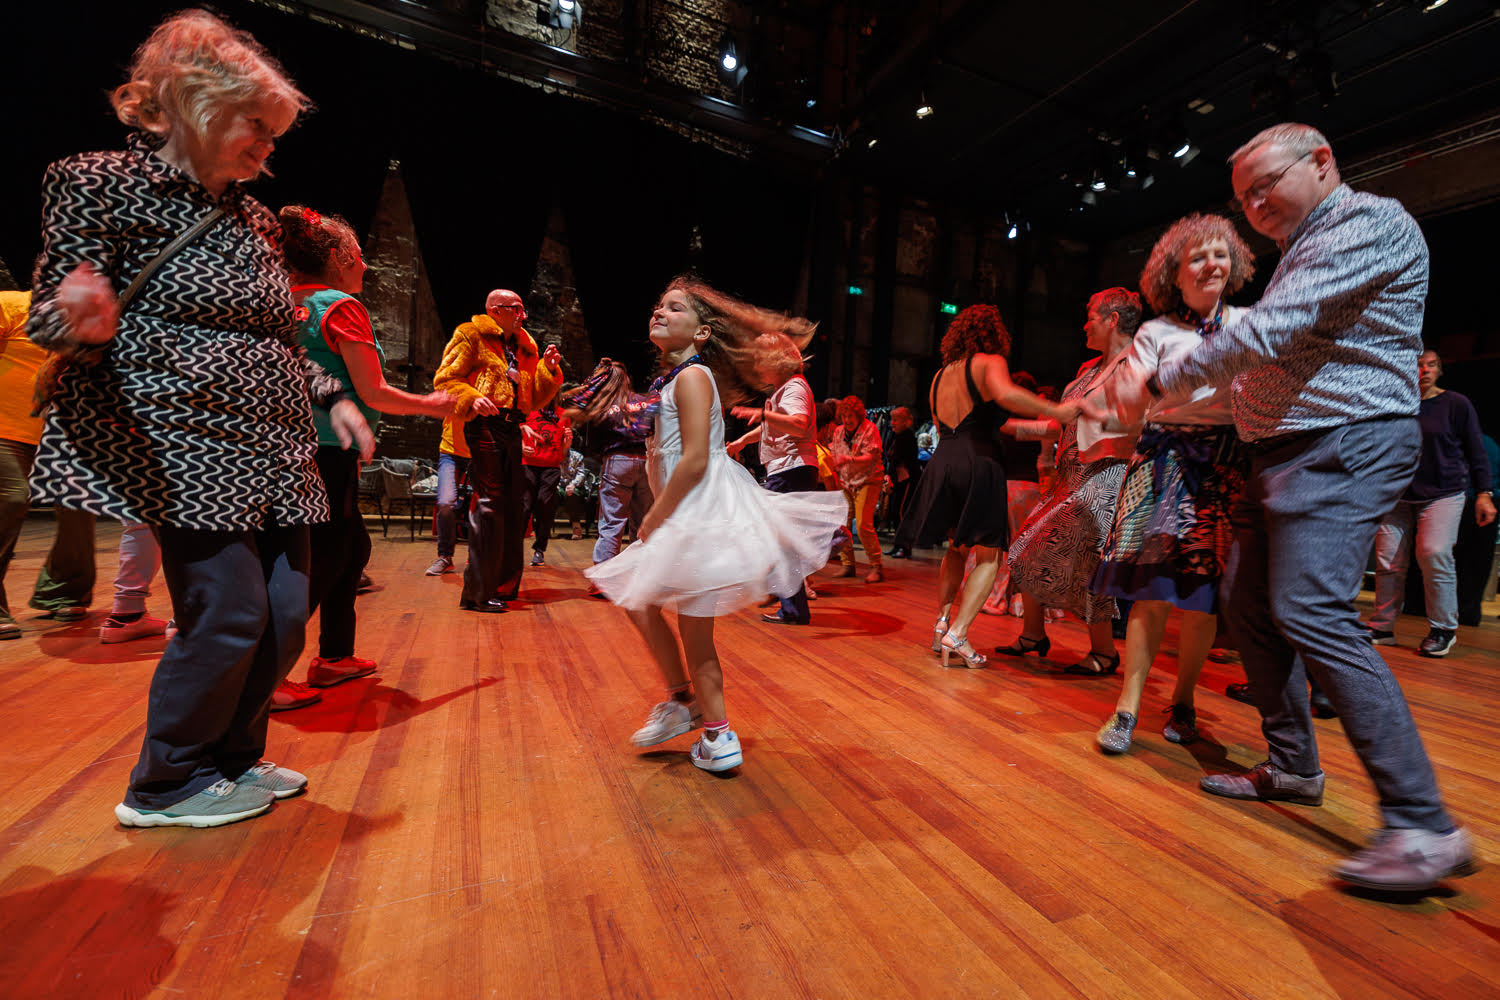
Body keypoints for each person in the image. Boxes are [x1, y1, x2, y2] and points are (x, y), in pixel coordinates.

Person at [26, 10, 373, 828]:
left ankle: (235, 760)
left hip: (276, 447)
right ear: (196, 104)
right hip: (183, 443)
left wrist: (335, 398)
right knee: (228, 613)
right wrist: (75, 312)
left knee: (287, 614)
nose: (268, 148)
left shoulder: (253, 219)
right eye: (259, 126)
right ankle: (165, 782)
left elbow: (275, 339)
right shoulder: (96, 180)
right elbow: (46, 313)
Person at [1113, 122, 1474, 892]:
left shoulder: (1367, 222)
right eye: (1244, 197)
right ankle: (1293, 764)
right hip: (1283, 451)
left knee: (1312, 609)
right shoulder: (1301, 249)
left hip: (1344, 443)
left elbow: (1275, 333)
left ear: (1320, 162)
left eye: (1264, 186)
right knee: (1248, 607)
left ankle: (1422, 824)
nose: (1254, 206)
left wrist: (1152, 387)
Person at [585, 278, 847, 771]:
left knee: (691, 630)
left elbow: (695, 461)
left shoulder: (691, 378)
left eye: (675, 307)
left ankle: (716, 732)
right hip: (689, 512)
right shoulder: (675, 379)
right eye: (659, 305)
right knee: (640, 601)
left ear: (702, 332)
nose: (660, 312)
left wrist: (654, 519)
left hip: (698, 514)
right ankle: (687, 704)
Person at [272, 205, 453, 710]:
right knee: (323, 557)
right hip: (325, 451)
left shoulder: (281, 303)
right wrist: (434, 405)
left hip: (286, 449)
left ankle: (334, 657)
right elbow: (373, 392)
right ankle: (268, 673)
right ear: (334, 256)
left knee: (349, 550)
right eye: (357, 256)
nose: (366, 267)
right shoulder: (340, 307)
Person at [1086, 215, 1256, 754]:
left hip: (1225, 463)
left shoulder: (1253, 321)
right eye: (1198, 257)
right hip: (1163, 461)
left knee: (1202, 600)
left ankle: (1183, 702)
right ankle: (1127, 708)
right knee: (1151, 592)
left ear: (1235, 265)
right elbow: (1135, 404)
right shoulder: (1157, 333)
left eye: (1221, 254)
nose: (1212, 264)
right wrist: (1131, 395)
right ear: (1174, 274)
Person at [895, 304, 1078, 667]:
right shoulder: (988, 361)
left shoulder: (939, 376)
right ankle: (958, 634)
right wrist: (1056, 410)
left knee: (955, 548)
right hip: (979, 461)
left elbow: (955, 423)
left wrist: (1037, 428)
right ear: (995, 335)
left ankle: (942, 624)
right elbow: (1006, 394)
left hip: (944, 460)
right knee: (990, 555)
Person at [997, 289, 1144, 673]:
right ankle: (1034, 635)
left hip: (1105, 478)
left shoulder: (1137, 365)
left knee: (1088, 565)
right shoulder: (1087, 371)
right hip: (1070, 478)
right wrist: (1014, 428)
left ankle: (1104, 653)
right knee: (1024, 550)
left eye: (1090, 315)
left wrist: (1100, 420)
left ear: (1112, 320)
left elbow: (1140, 425)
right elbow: (1059, 422)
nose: (1084, 323)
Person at [433, 290, 562, 611]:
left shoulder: (525, 346)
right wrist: (470, 397)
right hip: (484, 425)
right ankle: (477, 591)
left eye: (522, 309)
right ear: (495, 310)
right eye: (516, 309)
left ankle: (504, 586)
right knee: (489, 504)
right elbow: (445, 379)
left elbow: (534, 399)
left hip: (511, 428)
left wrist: (548, 370)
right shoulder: (471, 334)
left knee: (513, 507)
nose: (523, 315)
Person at [1364, 349, 1494, 656]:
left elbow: (1476, 449)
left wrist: (1485, 493)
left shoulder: (1455, 404)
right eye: (1418, 364)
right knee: (1388, 561)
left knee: (1434, 553)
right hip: (1395, 494)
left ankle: (1443, 628)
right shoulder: (1394, 404)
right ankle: (1382, 627)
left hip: (1443, 492)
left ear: (1440, 370)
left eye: (1431, 364)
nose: (1424, 369)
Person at [1, 289, 97, 638]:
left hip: (63, 430)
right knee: (11, 498)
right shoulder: (11, 305)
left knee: (78, 505)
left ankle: (65, 590)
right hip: (6, 427)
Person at [726, 332, 821, 626]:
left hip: (792, 469)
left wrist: (762, 415)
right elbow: (773, 426)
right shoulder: (783, 391)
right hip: (788, 470)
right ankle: (791, 606)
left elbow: (798, 423)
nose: (756, 368)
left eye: (760, 361)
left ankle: (791, 606)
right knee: (781, 541)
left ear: (778, 361)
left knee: (779, 540)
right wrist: (742, 441)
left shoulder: (794, 388)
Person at [829, 396, 886, 582]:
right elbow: (835, 454)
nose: (847, 420)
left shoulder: (870, 429)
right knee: (842, 525)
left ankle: (876, 566)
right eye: (844, 416)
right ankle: (848, 565)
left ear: (859, 415)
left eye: (851, 416)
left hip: (868, 481)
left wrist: (849, 460)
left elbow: (872, 456)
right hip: (846, 481)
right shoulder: (838, 432)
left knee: (863, 525)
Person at [520, 401, 572, 567]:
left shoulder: (563, 414)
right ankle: (514, 548)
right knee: (524, 507)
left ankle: (539, 550)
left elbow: (564, 452)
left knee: (545, 506)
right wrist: (521, 447)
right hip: (527, 464)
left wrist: (567, 445)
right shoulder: (528, 409)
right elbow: (515, 433)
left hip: (551, 467)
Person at [425, 417, 470, 576]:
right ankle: (445, 557)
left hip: (481, 449)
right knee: (445, 502)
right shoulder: (455, 389)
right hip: (450, 451)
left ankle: (477, 557)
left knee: (483, 505)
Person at [883, 406, 919, 558]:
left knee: (902, 512)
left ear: (907, 422)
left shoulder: (908, 437)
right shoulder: (896, 436)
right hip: (898, 482)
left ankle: (905, 546)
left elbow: (904, 461)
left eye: (896, 420)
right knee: (895, 512)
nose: (892, 423)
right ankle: (898, 545)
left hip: (906, 481)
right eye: (892, 419)